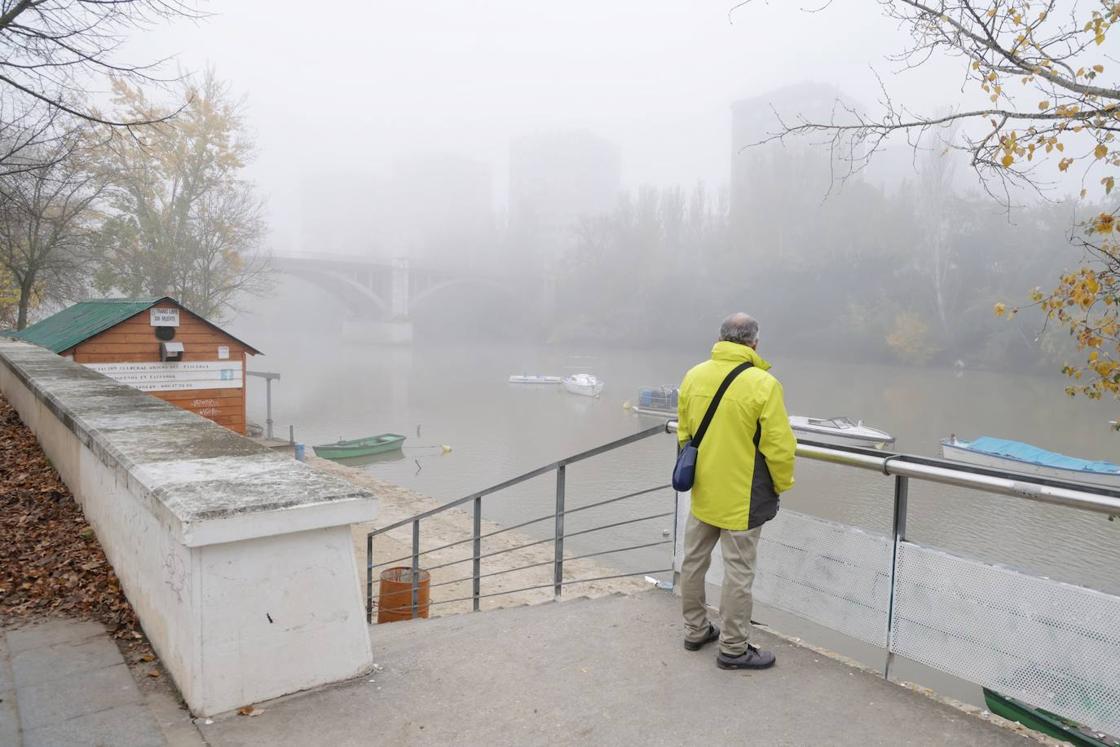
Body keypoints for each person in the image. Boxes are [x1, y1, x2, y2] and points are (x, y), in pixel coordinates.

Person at [676, 313, 796, 669]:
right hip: (743, 496)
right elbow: (779, 447)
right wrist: (782, 483)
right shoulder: (763, 384)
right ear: (754, 343)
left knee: (694, 561)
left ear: (721, 338)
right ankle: (732, 647)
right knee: (739, 572)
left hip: (703, 489)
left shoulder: (694, 375)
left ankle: (695, 630)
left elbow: (684, 434)